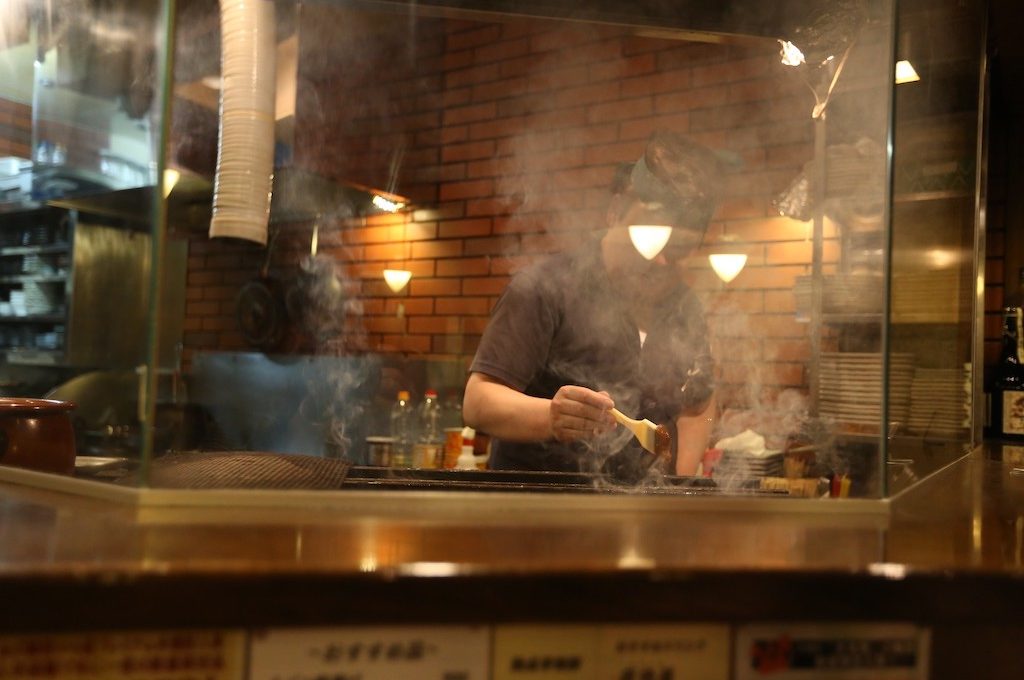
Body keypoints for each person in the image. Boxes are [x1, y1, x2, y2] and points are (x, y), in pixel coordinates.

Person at [462, 130, 720, 478]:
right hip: (536, 510)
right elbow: (479, 402)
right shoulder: (545, 287)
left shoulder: (684, 306)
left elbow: (697, 405)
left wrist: (684, 485)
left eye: (679, 249)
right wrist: (551, 416)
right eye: (649, 238)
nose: (660, 260)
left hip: (639, 516)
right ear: (615, 213)